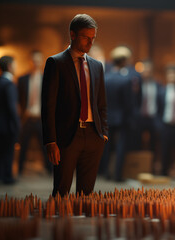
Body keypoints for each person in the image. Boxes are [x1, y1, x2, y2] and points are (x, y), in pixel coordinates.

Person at [41, 14, 108, 196]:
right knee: (61, 192)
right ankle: (59, 224)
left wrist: (104, 134)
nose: (90, 43)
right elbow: (48, 105)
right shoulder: (56, 63)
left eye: (93, 38)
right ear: (72, 34)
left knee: (86, 195)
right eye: (86, 37)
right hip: (67, 136)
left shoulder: (96, 66)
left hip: (94, 135)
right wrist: (50, 141)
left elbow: (101, 104)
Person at [99, 46, 133, 181]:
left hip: (107, 117)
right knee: (120, 147)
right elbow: (129, 103)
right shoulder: (126, 80)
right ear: (124, 61)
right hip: (122, 118)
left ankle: (106, 172)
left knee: (107, 147)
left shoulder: (105, 78)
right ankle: (117, 175)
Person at [18, 50, 52, 175]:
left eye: (38, 60)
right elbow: (19, 98)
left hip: (41, 118)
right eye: (34, 60)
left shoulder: (47, 79)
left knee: (46, 146)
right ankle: (19, 171)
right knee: (23, 146)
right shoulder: (22, 79)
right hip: (27, 118)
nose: (36, 63)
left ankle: (50, 171)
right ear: (30, 61)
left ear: (42, 61)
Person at [0, 55, 20, 184]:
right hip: (9, 125)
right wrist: (17, 123)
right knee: (8, 152)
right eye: (14, 64)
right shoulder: (9, 84)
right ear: (9, 66)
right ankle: (7, 177)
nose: (16, 67)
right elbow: (12, 107)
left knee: (1, 152)